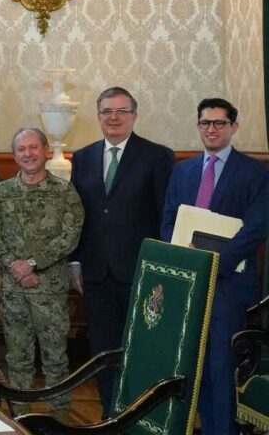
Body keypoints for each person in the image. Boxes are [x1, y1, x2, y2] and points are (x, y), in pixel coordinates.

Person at [162, 98, 269, 435]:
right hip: (189, 284)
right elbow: (169, 220)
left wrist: (216, 263)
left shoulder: (256, 172)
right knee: (194, 368)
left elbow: (256, 227)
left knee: (221, 369)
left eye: (219, 123)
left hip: (227, 286)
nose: (211, 129)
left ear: (233, 127)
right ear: (198, 126)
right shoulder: (183, 170)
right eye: (205, 123)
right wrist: (182, 260)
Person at [68, 86, 174, 416]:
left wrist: (161, 268)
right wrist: (75, 260)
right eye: (107, 112)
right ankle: (109, 415)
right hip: (96, 273)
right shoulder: (83, 157)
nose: (114, 118)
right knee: (103, 351)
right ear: (98, 116)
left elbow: (165, 215)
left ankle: (140, 416)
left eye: (121, 111)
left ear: (134, 116)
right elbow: (77, 214)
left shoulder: (157, 156)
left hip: (142, 272)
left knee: (142, 348)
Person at [0, 128, 84, 420]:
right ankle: (20, 418)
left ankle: (60, 420)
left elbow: (70, 236)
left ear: (45, 150)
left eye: (33, 148)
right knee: (18, 359)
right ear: (15, 155)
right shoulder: (2, 192)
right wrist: (16, 264)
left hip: (49, 291)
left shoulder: (64, 192)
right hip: (13, 292)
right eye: (21, 149)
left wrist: (33, 263)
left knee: (55, 360)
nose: (28, 154)